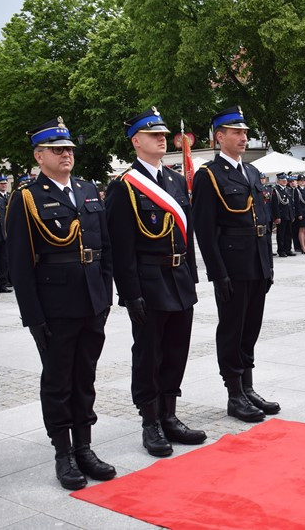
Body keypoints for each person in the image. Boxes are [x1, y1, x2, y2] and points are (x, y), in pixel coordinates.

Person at [6, 117, 115, 490]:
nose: (66, 154)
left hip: (91, 302)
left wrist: (105, 294)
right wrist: (34, 317)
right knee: (58, 381)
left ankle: (85, 447)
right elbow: (20, 265)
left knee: (85, 377)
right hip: (55, 306)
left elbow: (105, 249)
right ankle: (63, 452)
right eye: (57, 150)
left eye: (69, 149)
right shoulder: (27, 198)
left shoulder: (87, 190)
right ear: (39, 156)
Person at [105, 107, 206, 457]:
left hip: (178, 279)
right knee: (149, 353)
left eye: (163, 134)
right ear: (136, 141)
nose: (162, 138)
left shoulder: (177, 181)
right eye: (153, 135)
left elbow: (186, 234)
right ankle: (150, 421)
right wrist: (131, 295)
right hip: (148, 281)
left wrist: (191, 276)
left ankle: (170, 415)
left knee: (177, 349)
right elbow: (121, 247)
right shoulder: (124, 187)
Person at [191, 105, 279, 423]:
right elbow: (204, 230)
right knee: (232, 328)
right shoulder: (209, 176)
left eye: (245, 132)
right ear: (220, 136)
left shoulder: (252, 173)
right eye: (237, 132)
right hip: (232, 265)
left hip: (256, 263)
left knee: (251, 326)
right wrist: (218, 273)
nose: (244, 137)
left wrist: (268, 266)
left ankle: (248, 386)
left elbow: (263, 223)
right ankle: (233, 393)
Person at [271, 172, 296, 256]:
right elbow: (275, 205)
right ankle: (281, 250)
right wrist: (277, 217)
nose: (285, 181)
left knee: (289, 233)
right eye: (283, 180)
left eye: (285, 180)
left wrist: (292, 215)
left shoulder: (288, 189)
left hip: (288, 215)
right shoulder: (276, 190)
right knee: (281, 234)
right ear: (278, 181)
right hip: (281, 215)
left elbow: (291, 204)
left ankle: (288, 249)